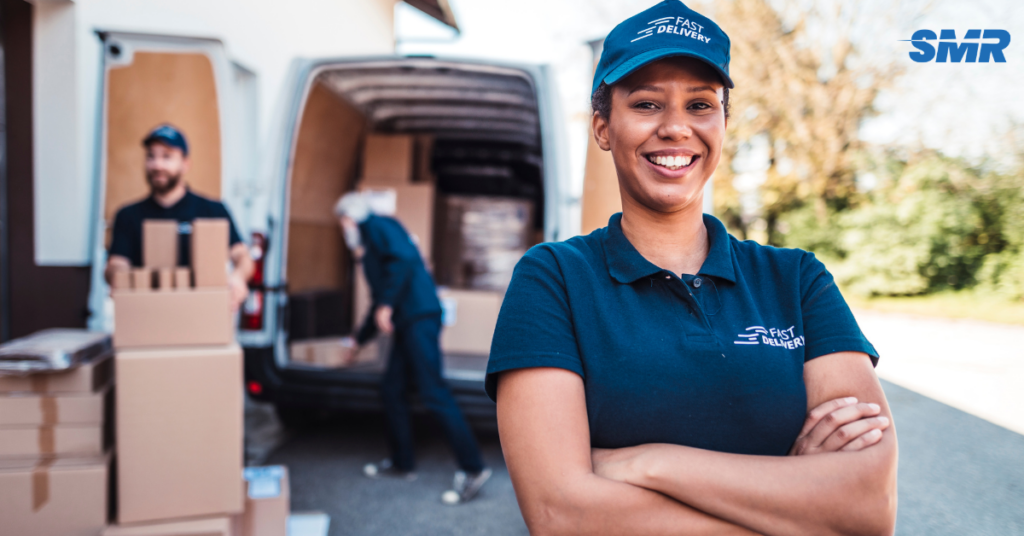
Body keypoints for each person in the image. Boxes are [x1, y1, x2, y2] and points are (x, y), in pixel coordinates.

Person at [486, 2, 898, 535]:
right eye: (647, 104)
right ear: (603, 127)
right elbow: (562, 514)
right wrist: (796, 503)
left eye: (701, 104)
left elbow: (869, 507)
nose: (676, 128)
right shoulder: (554, 280)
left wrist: (642, 462)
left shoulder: (796, 279)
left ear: (724, 123)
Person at [334, 192, 492, 505]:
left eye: (342, 222)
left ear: (351, 217)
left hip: (419, 318)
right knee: (392, 388)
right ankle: (401, 461)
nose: (344, 229)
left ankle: (473, 468)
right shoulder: (370, 246)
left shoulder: (378, 225)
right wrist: (357, 340)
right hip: (408, 322)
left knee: (433, 392)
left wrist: (388, 305)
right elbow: (379, 301)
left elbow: (404, 262)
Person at [105, 125, 252, 309]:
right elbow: (117, 263)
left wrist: (238, 277)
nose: (157, 165)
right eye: (151, 156)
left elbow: (241, 255)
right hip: (148, 315)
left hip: (202, 314)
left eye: (166, 156)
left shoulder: (213, 211)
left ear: (185, 164)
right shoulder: (128, 215)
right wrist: (119, 278)